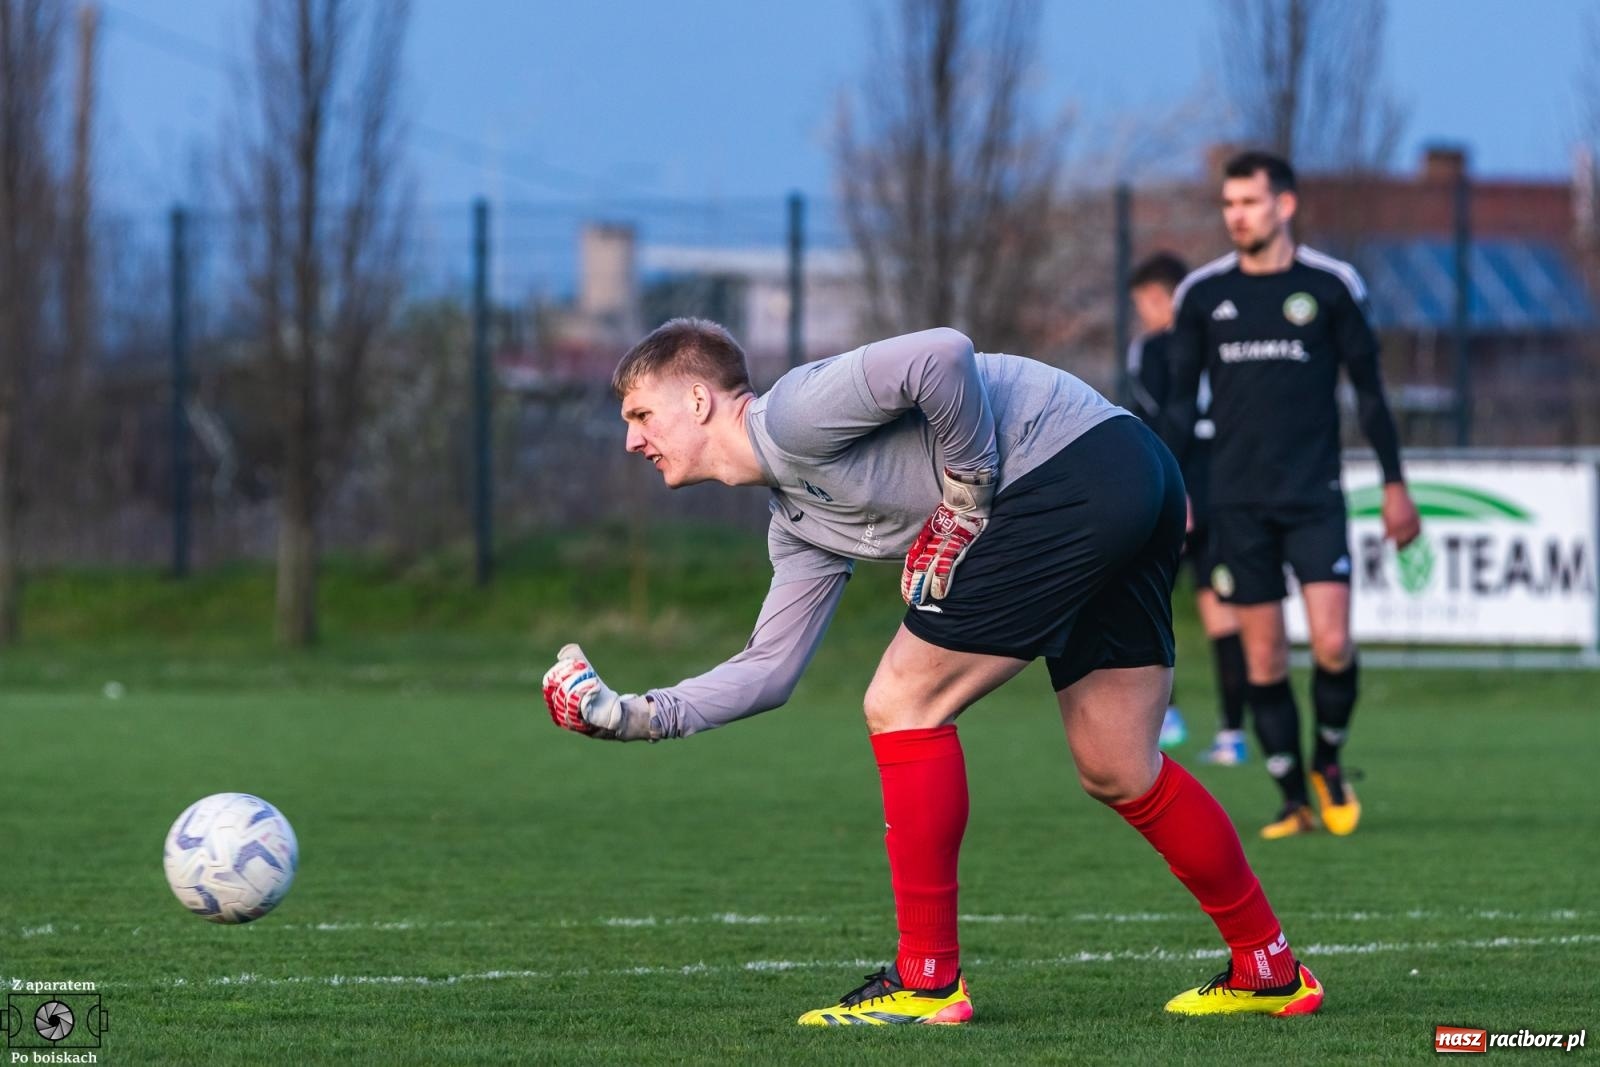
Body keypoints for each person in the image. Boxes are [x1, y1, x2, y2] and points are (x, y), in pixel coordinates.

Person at [541, 319, 1324, 1024]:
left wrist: (964, 496)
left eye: (642, 415)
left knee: (901, 700)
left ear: (702, 400)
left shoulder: (791, 413)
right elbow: (771, 668)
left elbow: (940, 354)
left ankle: (926, 981)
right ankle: (1269, 965)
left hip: (1073, 472)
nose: (631, 440)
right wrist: (634, 714)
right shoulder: (796, 520)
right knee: (1119, 764)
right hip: (1134, 472)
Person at [1157, 151, 1421, 841]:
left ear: (1285, 205)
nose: (1237, 215)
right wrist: (1171, 485)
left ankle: (1327, 761)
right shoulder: (1203, 296)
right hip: (1236, 503)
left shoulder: (1331, 287)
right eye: (1229, 203)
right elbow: (1181, 410)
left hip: (1315, 497)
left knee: (1333, 643)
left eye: (1249, 201)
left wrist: (1396, 484)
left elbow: (1370, 394)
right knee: (1264, 657)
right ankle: (1290, 797)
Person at [1126, 252, 1250, 766]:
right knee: (1222, 610)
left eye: (1144, 305)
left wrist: (1176, 493)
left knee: (1144, 600)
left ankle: (1166, 717)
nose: (1143, 316)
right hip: (1225, 485)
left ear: (1161, 298)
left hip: (1178, 484)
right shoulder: (1227, 340)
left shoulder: (1152, 350)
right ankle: (1232, 736)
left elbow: (1158, 420)